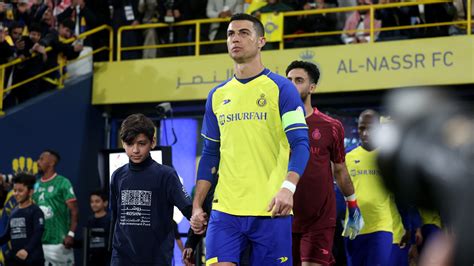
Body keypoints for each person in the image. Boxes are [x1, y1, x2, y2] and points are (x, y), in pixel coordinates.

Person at [190, 13, 310, 266]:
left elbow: (300, 144)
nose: (236, 39)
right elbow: (210, 154)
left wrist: (288, 189)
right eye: (231, 34)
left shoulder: (282, 88)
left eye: (244, 33)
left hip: (270, 209)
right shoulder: (217, 95)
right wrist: (197, 205)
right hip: (225, 211)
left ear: (261, 41)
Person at [286, 60, 363, 266]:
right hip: (283, 217)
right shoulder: (275, 126)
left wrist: (352, 204)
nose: (292, 85)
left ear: (312, 87)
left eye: (299, 80)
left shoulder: (331, 126)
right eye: (289, 80)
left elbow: (340, 169)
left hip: (319, 219)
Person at [110, 113, 193, 265]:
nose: (135, 150)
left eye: (141, 143)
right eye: (130, 144)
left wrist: (191, 244)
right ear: (123, 143)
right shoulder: (117, 176)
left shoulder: (167, 175)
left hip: (156, 259)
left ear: (152, 142)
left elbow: (190, 211)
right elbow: (115, 218)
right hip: (121, 258)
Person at [344, 110, 403, 266]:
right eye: (362, 128)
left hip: (381, 226)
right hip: (354, 227)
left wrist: (409, 225)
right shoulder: (348, 158)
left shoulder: (387, 158)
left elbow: (400, 194)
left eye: (370, 128)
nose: (365, 133)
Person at [33, 149, 78, 266]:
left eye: (41, 159)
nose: (38, 162)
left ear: (51, 162)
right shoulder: (36, 184)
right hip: (39, 242)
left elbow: (74, 211)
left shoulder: (63, 182)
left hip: (59, 242)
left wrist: (71, 234)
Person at [0, 173, 45, 266]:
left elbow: (38, 232)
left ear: (30, 192)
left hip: (32, 259)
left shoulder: (36, 211)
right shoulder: (13, 211)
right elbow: (7, 234)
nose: (16, 194)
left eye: (20, 191)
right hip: (16, 259)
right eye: (14, 190)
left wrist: (26, 250)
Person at [86, 190, 111, 266]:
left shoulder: (110, 219)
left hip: (105, 259)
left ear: (105, 203)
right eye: (92, 202)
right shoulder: (90, 220)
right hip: (92, 259)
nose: (94, 204)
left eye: (97, 201)